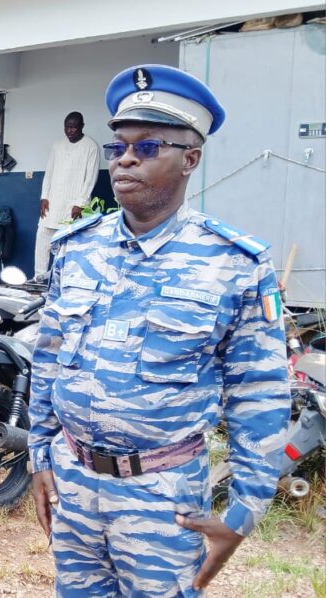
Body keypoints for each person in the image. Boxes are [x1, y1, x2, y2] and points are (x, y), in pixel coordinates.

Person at [28, 64, 291, 597]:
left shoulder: (233, 263)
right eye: (118, 146)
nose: (125, 159)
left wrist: (242, 513)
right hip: (73, 481)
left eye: (147, 147)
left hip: (163, 496)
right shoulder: (76, 248)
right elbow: (49, 357)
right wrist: (39, 455)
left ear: (190, 159)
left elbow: (259, 393)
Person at [33, 111, 100, 279]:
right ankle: (39, 277)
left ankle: (61, 279)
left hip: (74, 205)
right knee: (43, 236)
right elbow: (49, 173)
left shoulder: (91, 146)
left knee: (69, 243)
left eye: (73, 127)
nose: (70, 130)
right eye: (67, 127)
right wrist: (44, 196)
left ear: (82, 126)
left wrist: (81, 203)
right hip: (53, 200)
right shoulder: (57, 145)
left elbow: (91, 178)